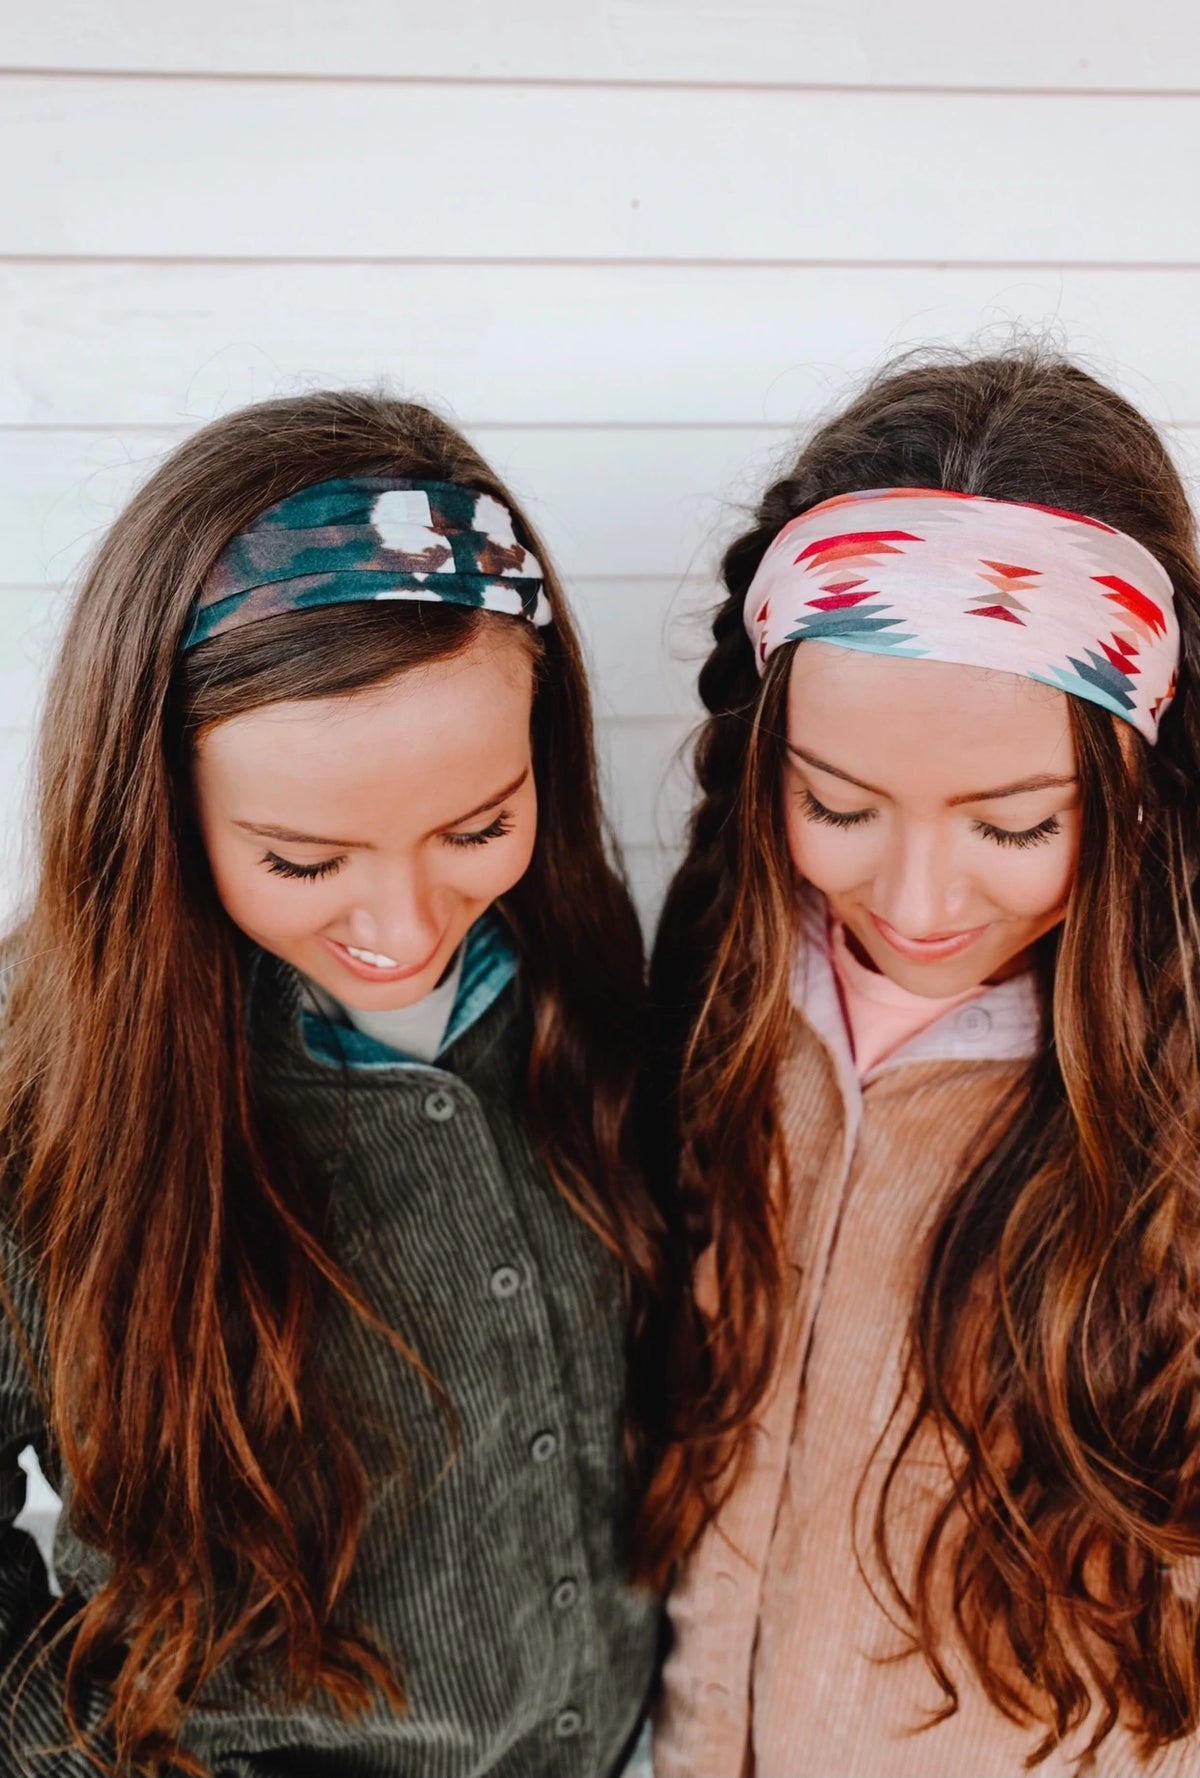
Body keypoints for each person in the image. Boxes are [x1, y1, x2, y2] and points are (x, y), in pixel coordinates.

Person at [0, 391, 663, 1776]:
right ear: (158, 806)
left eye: (479, 825)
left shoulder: (597, 995)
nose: (410, 922)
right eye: (305, 861)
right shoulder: (39, 1094)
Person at [642, 350, 1200, 1775]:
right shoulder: (733, 995)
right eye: (838, 805)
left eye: (1013, 826)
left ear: (1140, 783)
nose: (919, 900)